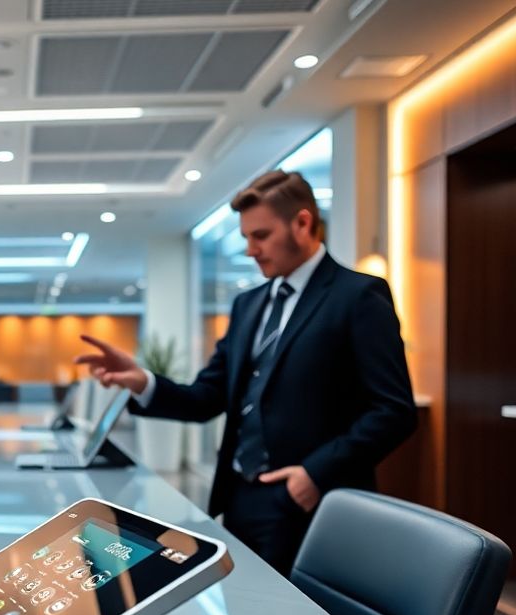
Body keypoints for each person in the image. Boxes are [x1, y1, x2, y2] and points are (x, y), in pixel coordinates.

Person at [75, 170, 417, 576]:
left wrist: (314, 473)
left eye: (261, 235)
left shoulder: (358, 296)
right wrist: (144, 382)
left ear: (303, 223)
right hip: (238, 500)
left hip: (311, 502)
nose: (251, 250)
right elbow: (207, 397)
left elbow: (394, 410)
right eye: (246, 238)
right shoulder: (248, 306)